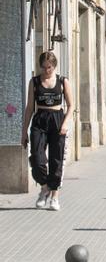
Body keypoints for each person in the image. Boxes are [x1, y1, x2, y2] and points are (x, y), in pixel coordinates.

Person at [20, 51, 74, 211]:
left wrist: (65, 124)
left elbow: (71, 105)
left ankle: (54, 196)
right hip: (40, 119)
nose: (46, 71)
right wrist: (24, 131)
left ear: (54, 66)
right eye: (43, 68)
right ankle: (45, 186)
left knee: (56, 160)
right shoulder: (35, 82)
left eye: (49, 68)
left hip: (57, 119)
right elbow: (29, 108)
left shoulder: (63, 81)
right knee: (37, 158)